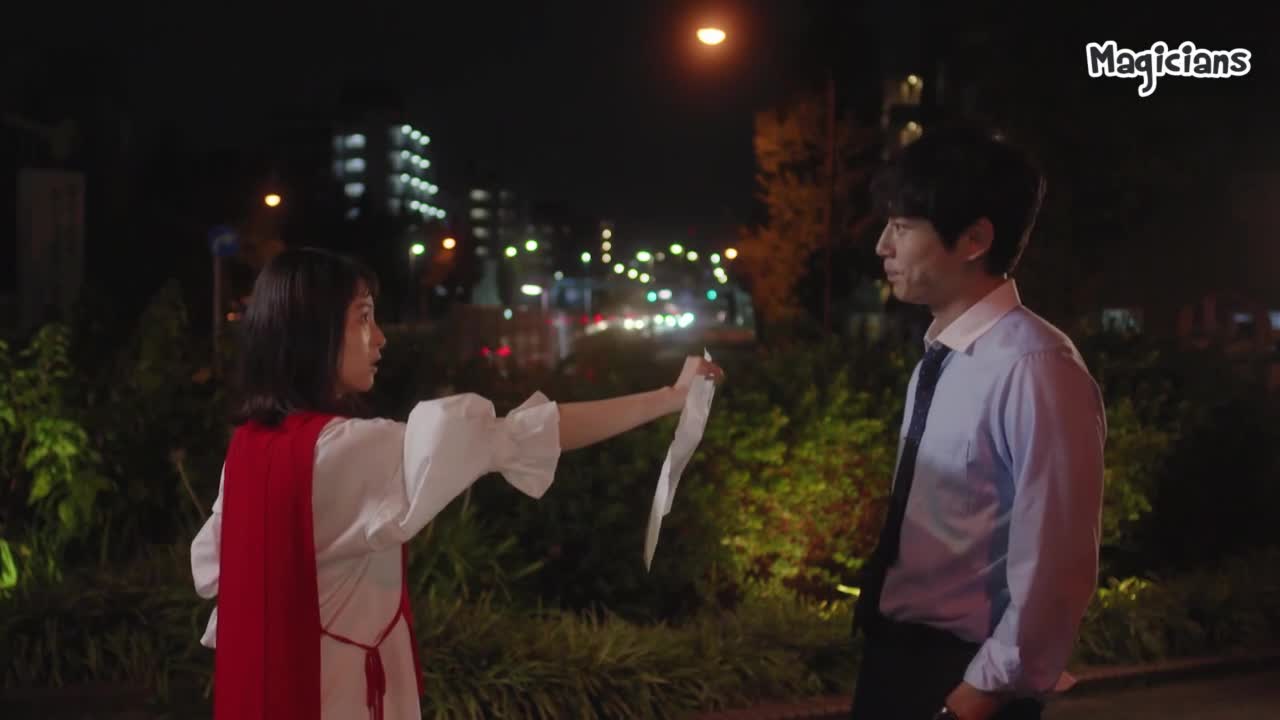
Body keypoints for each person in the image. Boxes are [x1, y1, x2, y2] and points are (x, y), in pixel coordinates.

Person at [190, 247, 723, 720]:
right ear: (314, 333)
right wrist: (670, 399)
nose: (380, 337)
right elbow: (524, 435)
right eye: (363, 318)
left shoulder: (250, 448)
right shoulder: (346, 448)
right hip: (341, 696)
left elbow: (214, 570)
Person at [849, 126, 1107, 720]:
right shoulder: (942, 354)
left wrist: (979, 695)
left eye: (903, 227)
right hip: (896, 659)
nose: (882, 246)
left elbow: (1058, 562)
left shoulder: (1035, 367)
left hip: (963, 677)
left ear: (974, 239)